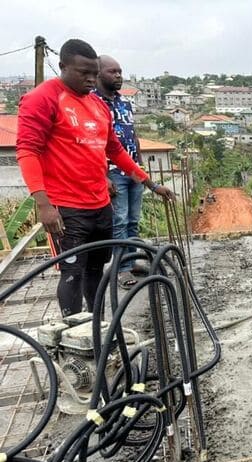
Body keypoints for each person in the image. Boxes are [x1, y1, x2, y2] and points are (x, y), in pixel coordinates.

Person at [16, 39, 175, 317]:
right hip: (65, 208)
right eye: (83, 73)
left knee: (95, 271)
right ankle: (74, 338)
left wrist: (151, 183)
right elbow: (28, 150)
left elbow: (115, 150)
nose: (91, 79)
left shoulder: (97, 106)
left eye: (94, 73)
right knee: (72, 273)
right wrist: (43, 205)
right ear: (63, 66)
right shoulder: (43, 98)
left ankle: (98, 329)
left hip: (100, 203)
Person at [93, 55, 144, 288]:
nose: (118, 76)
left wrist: (139, 164)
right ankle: (121, 269)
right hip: (112, 171)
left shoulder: (124, 102)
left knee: (133, 220)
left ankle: (131, 261)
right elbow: (91, 143)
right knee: (119, 221)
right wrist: (103, 176)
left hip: (133, 169)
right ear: (99, 73)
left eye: (120, 71)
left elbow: (132, 135)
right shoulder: (92, 102)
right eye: (112, 71)